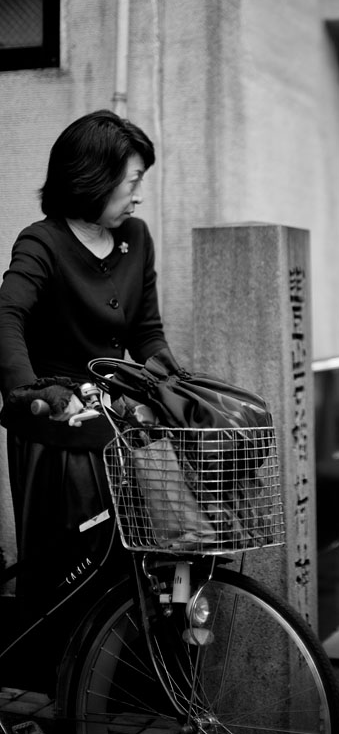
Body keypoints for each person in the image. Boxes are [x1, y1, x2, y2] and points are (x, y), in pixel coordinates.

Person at [0, 109, 175, 684]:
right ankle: (57, 685)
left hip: (115, 415)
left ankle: (128, 687)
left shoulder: (135, 239)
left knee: (141, 551)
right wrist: (31, 393)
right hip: (60, 424)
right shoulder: (43, 243)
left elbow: (146, 332)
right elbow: (7, 317)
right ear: (92, 181)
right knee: (72, 565)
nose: (138, 198)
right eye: (132, 184)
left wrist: (177, 385)